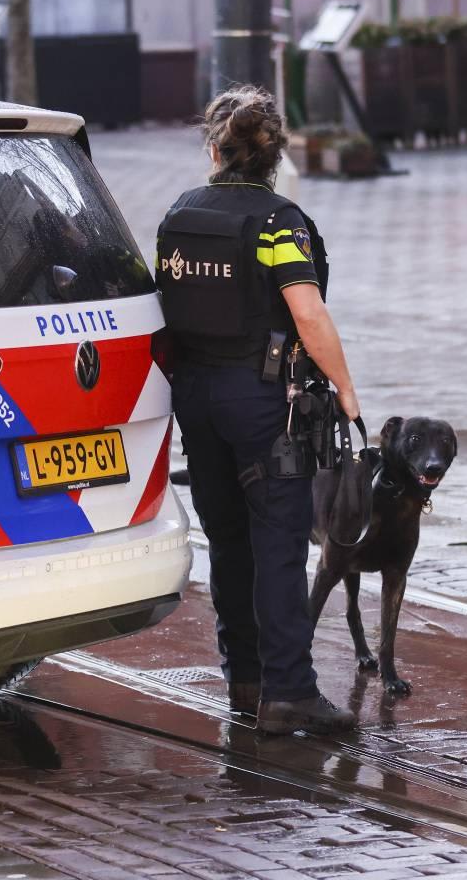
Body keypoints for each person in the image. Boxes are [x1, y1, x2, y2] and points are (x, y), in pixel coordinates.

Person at [155, 85, 361, 736]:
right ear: (275, 158)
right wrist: (347, 392)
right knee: (277, 545)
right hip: (263, 399)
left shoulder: (179, 214)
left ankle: (244, 681)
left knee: (229, 542)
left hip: (195, 398)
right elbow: (307, 310)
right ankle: (290, 694)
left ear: (215, 150)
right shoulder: (277, 222)